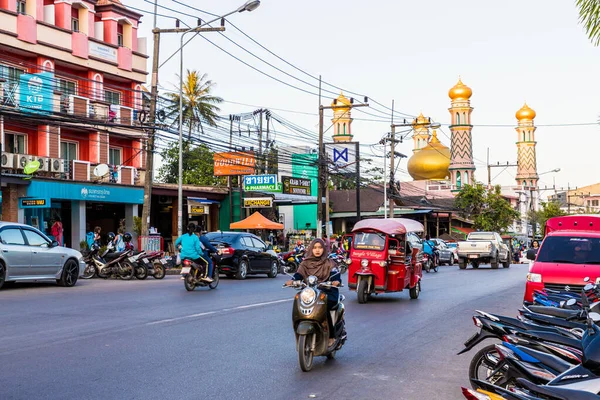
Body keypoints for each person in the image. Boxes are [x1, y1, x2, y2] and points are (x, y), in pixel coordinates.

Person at [285, 239, 342, 347]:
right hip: (310, 291)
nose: (317, 250)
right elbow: (299, 274)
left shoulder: (329, 263)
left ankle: (331, 336)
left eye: (320, 248)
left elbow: (335, 274)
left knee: (324, 306)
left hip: (327, 290)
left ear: (324, 249)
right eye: (315, 248)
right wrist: (292, 281)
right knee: (299, 300)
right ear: (311, 249)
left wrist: (336, 281)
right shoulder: (305, 263)